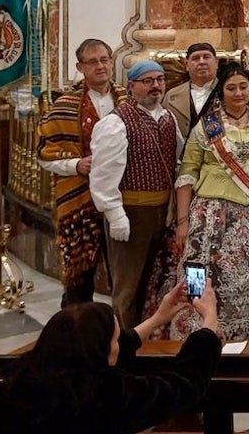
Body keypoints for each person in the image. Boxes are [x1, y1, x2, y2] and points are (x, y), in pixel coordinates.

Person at [0, 282, 222, 434]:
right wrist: (209, 325)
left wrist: (157, 319)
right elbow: (183, 383)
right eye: (114, 340)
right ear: (104, 354)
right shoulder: (107, 395)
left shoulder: (23, 380)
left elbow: (112, 346)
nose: (118, 344)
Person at [173, 62, 249, 340]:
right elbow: (187, 173)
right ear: (221, 92)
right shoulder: (209, 124)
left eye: (243, 87)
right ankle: (194, 330)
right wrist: (183, 221)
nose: (238, 93)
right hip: (209, 216)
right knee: (198, 269)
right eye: (231, 88)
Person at [89, 60, 182, 330]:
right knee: (127, 286)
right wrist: (115, 214)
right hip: (131, 213)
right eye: (148, 81)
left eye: (160, 80)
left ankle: (145, 339)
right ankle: (123, 346)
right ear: (132, 86)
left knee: (152, 283)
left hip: (162, 212)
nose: (156, 86)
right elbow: (103, 173)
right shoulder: (116, 122)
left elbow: (176, 160)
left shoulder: (167, 118)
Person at [37, 38, 127, 306]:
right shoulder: (65, 104)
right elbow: (44, 152)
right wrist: (76, 164)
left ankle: (122, 335)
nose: (100, 66)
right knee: (79, 278)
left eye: (104, 59)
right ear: (80, 67)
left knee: (123, 273)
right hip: (79, 198)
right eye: (92, 61)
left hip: (123, 198)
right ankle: (75, 334)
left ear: (111, 61)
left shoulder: (126, 99)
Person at [162, 42, 219, 139]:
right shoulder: (171, 96)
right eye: (195, 58)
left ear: (216, 62)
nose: (201, 62)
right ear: (187, 65)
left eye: (206, 57)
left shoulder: (230, 92)